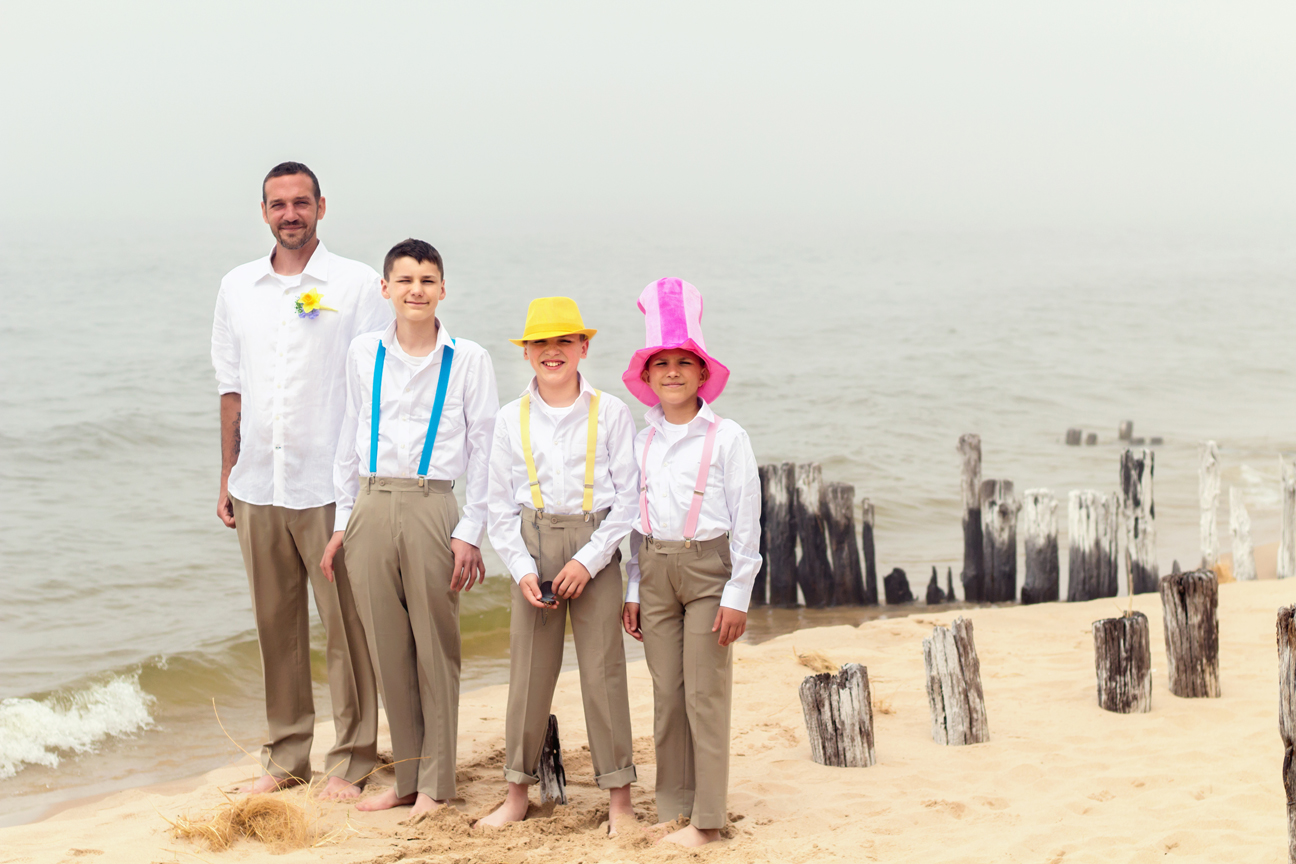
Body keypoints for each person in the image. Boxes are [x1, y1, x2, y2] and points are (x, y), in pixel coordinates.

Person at [211, 161, 387, 799]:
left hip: (329, 486)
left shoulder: (357, 284)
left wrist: (366, 485)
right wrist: (227, 475)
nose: (290, 213)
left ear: (321, 207)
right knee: (274, 626)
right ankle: (286, 757)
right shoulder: (237, 287)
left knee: (347, 627)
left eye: (301, 202)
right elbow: (231, 389)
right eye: (278, 204)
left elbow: (376, 390)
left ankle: (354, 757)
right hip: (258, 482)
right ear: (264, 212)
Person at [322, 238, 498, 815]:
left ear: (442, 289)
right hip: (371, 503)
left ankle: (437, 785)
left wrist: (471, 530)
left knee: (435, 647)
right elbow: (349, 435)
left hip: (433, 503)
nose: (415, 290)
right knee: (387, 649)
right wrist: (344, 519)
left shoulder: (468, 359)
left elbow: (486, 449)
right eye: (404, 280)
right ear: (385, 289)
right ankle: (405, 781)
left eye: (426, 280)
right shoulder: (363, 353)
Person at [477, 298, 639, 832]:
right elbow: (499, 506)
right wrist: (522, 567)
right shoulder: (510, 418)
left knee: (603, 673)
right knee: (528, 674)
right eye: (541, 343)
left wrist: (589, 561)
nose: (553, 352)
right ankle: (516, 794)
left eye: (564, 341)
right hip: (534, 543)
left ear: (583, 348)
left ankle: (619, 800)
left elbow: (628, 502)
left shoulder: (611, 412)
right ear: (526, 352)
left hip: (597, 545)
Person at [619, 278, 761, 847]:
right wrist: (634, 587)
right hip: (654, 571)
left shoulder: (727, 438)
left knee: (704, 694)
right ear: (648, 376)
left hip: (709, 573)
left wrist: (738, 593)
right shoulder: (641, 440)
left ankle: (707, 819)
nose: (673, 372)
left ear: (703, 374)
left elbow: (747, 522)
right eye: (662, 363)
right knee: (667, 694)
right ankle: (673, 807)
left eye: (684, 362)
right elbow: (637, 520)